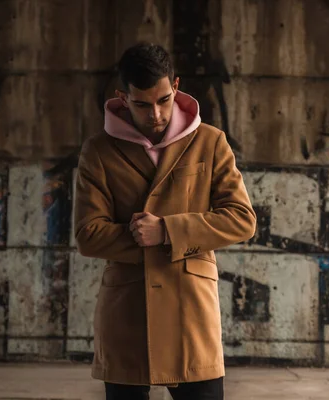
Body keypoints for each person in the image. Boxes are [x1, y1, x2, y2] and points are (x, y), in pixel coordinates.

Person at [73, 42, 256, 400]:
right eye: (142, 104)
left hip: (190, 309)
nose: (155, 114)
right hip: (127, 311)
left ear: (175, 86)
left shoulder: (210, 142)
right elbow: (88, 235)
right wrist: (143, 237)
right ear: (123, 98)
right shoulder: (99, 151)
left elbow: (241, 219)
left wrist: (167, 231)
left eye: (163, 100)